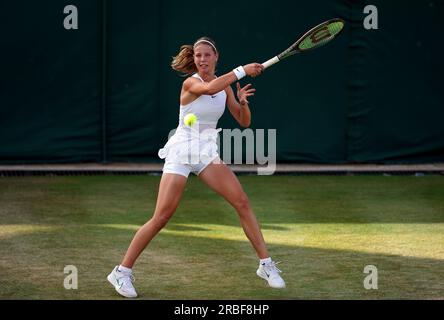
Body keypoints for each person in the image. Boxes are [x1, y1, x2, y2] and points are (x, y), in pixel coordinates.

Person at [107, 37, 285, 298]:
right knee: (162, 217)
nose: (202, 60)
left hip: (206, 153)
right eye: (198, 55)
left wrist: (242, 101)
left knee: (242, 202)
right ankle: (121, 272)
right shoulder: (191, 83)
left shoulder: (224, 88)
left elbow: (244, 122)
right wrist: (243, 70)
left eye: (206, 55)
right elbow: (212, 85)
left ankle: (266, 265)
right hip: (182, 151)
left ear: (216, 57)